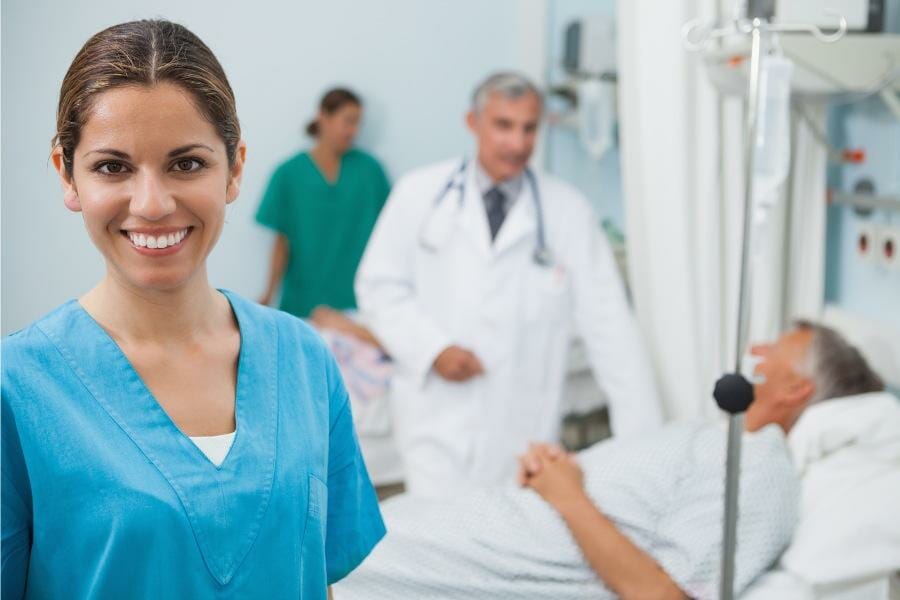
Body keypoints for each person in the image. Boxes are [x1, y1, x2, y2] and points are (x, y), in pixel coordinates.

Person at [1, 20, 383, 599]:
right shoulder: (18, 388)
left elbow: (315, 580)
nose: (152, 204)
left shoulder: (303, 359)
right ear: (67, 175)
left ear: (234, 168)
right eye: (113, 166)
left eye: (186, 164)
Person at [335, 321, 888, 599]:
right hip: (441, 537)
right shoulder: (721, 441)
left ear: (796, 390)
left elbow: (666, 595)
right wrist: (555, 476)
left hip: (440, 564)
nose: (758, 351)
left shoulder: (761, 465)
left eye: (775, 349)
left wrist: (567, 495)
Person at [354, 72, 663, 496]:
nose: (517, 144)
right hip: (435, 420)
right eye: (503, 125)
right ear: (473, 122)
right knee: (439, 545)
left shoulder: (567, 212)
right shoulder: (418, 194)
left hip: (524, 431)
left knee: (511, 548)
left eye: (528, 128)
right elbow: (378, 285)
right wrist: (433, 348)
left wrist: (646, 452)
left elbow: (611, 330)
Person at [257, 88, 390, 317]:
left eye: (358, 123)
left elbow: (391, 235)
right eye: (348, 121)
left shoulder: (370, 171)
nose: (354, 131)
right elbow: (281, 242)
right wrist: (268, 294)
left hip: (360, 306)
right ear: (323, 117)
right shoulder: (288, 174)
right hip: (303, 306)